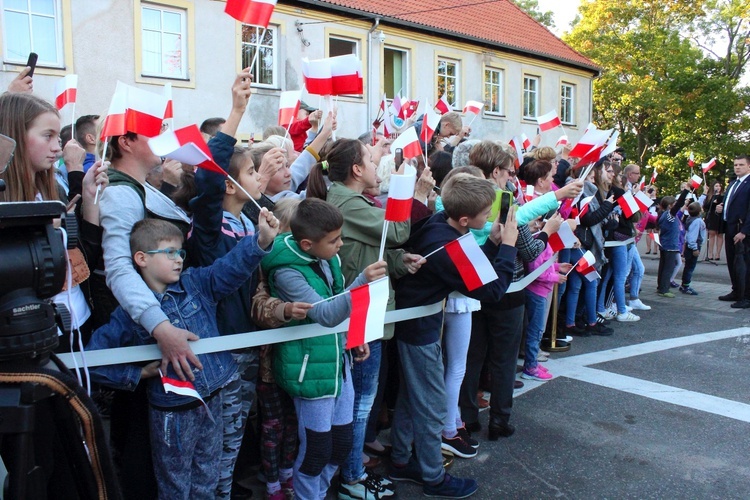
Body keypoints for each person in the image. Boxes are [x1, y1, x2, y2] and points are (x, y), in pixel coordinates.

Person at [87, 213, 278, 499]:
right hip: (172, 411)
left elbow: (229, 269)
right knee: (174, 483)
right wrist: (138, 374)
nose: (179, 259)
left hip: (213, 399)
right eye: (170, 252)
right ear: (141, 259)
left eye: (180, 252)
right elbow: (93, 360)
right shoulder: (129, 313)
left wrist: (261, 240)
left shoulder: (195, 284)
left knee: (207, 475)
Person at [185, 71, 299, 498]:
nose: (259, 178)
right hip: (221, 347)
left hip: (246, 344)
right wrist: (236, 112)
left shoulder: (248, 219)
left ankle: (224, 488)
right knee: (221, 438)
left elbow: (274, 214)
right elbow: (209, 179)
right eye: (253, 171)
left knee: (233, 437)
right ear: (232, 185)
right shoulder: (211, 228)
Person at [390, 173, 518, 498]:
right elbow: (493, 290)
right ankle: (433, 478)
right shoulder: (446, 243)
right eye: (485, 211)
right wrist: (508, 248)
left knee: (410, 396)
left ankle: (401, 459)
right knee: (432, 404)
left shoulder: (443, 227)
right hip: (418, 330)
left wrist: (491, 243)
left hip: (420, 326)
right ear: (465, 219)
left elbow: (472, 271)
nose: (490, 215)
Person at [307, 138, 422, 498]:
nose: (377, 166)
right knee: (359, 405)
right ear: (357, 170)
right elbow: (399, 230)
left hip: (368, 310)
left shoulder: (350, 199)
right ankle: (352, 478)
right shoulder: (346, 202)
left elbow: (374, 250)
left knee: (361, 402)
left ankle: (352, 473)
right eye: (372, 161)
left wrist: (401, 262)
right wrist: (411, 189)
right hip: (362, 314)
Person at [261, 198, 388, 500]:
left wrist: (355, 337)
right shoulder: (286, 271)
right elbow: (328, 314)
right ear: (306, 244)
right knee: (317, 449)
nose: (340, 245)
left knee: (341, 444)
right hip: (310, 369)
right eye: (334, 240)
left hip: (337, 361)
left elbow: (339, 304)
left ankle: (316, 494)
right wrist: (361, 282)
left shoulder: (326, 256)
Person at [716, 155, 750, 307]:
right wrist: (720, 209)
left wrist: (744, 231)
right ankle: (736, 291)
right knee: (732, 262)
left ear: (748, 166)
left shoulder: (748, 184)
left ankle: (747, 297)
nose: (737, 167)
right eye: (736, 164)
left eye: (741, 165)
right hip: (729, 228)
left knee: (745, 265)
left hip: (742, 231)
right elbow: (729, 204)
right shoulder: (733, 184)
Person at [656, 189, 689, 298]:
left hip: (664, 244)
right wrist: (686, 191)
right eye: (674, 204)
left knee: (663, 267)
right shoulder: (670, 216)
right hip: (670, 245)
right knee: (668, 268)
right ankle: (664, 289)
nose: (677, 206)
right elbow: (679, 204)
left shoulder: (662, 215)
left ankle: (660, 286)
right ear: (670, 206)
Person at [680, 202, 707, 295]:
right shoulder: (697, 221)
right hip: (693, 246)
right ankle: (686, 286)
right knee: (690, 267)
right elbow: (692, 236)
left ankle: (684, 284)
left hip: (690, 245)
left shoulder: (690, 219)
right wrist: (695, 248)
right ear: (699, 211)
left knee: (688, 266)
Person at [703, 181, 725, 261]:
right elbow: (705, 207)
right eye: (716, 186)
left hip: (720, 217)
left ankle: (718, 253)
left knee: (719, 235)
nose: (718, 188)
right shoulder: (709, 197)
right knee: (711, 235)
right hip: (711, 217)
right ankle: (710, 253)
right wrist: (712, 201)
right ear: (713, 187)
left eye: (719, 186)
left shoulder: (723, 196)